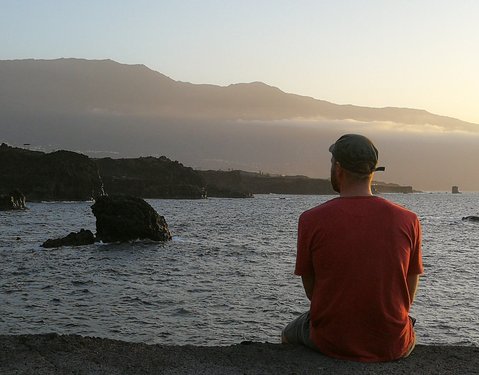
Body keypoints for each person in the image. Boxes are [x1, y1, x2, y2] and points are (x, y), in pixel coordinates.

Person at [281, 134, 423, 362]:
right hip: (393, 344)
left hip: (331, 340)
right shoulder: (409, 220)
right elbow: (409, 290)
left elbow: (312, 291)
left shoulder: (310, 220)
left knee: (288, 334)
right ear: (373, 171)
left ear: (338, 168)